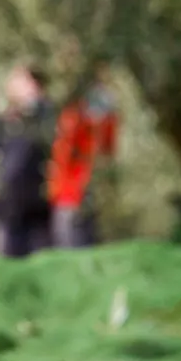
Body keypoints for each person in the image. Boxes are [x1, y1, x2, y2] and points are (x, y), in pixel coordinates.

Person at [0, 64, 56, 258]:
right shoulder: (2, 123)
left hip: (41, 210)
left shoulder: (49, 118)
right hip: (6, 209)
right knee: (3, 265)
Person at [49, 65, 119, 248]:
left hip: (80, 193)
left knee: (79, 246)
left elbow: (106, 149)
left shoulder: (99, 116)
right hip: (70, 193)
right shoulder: (73, 116)